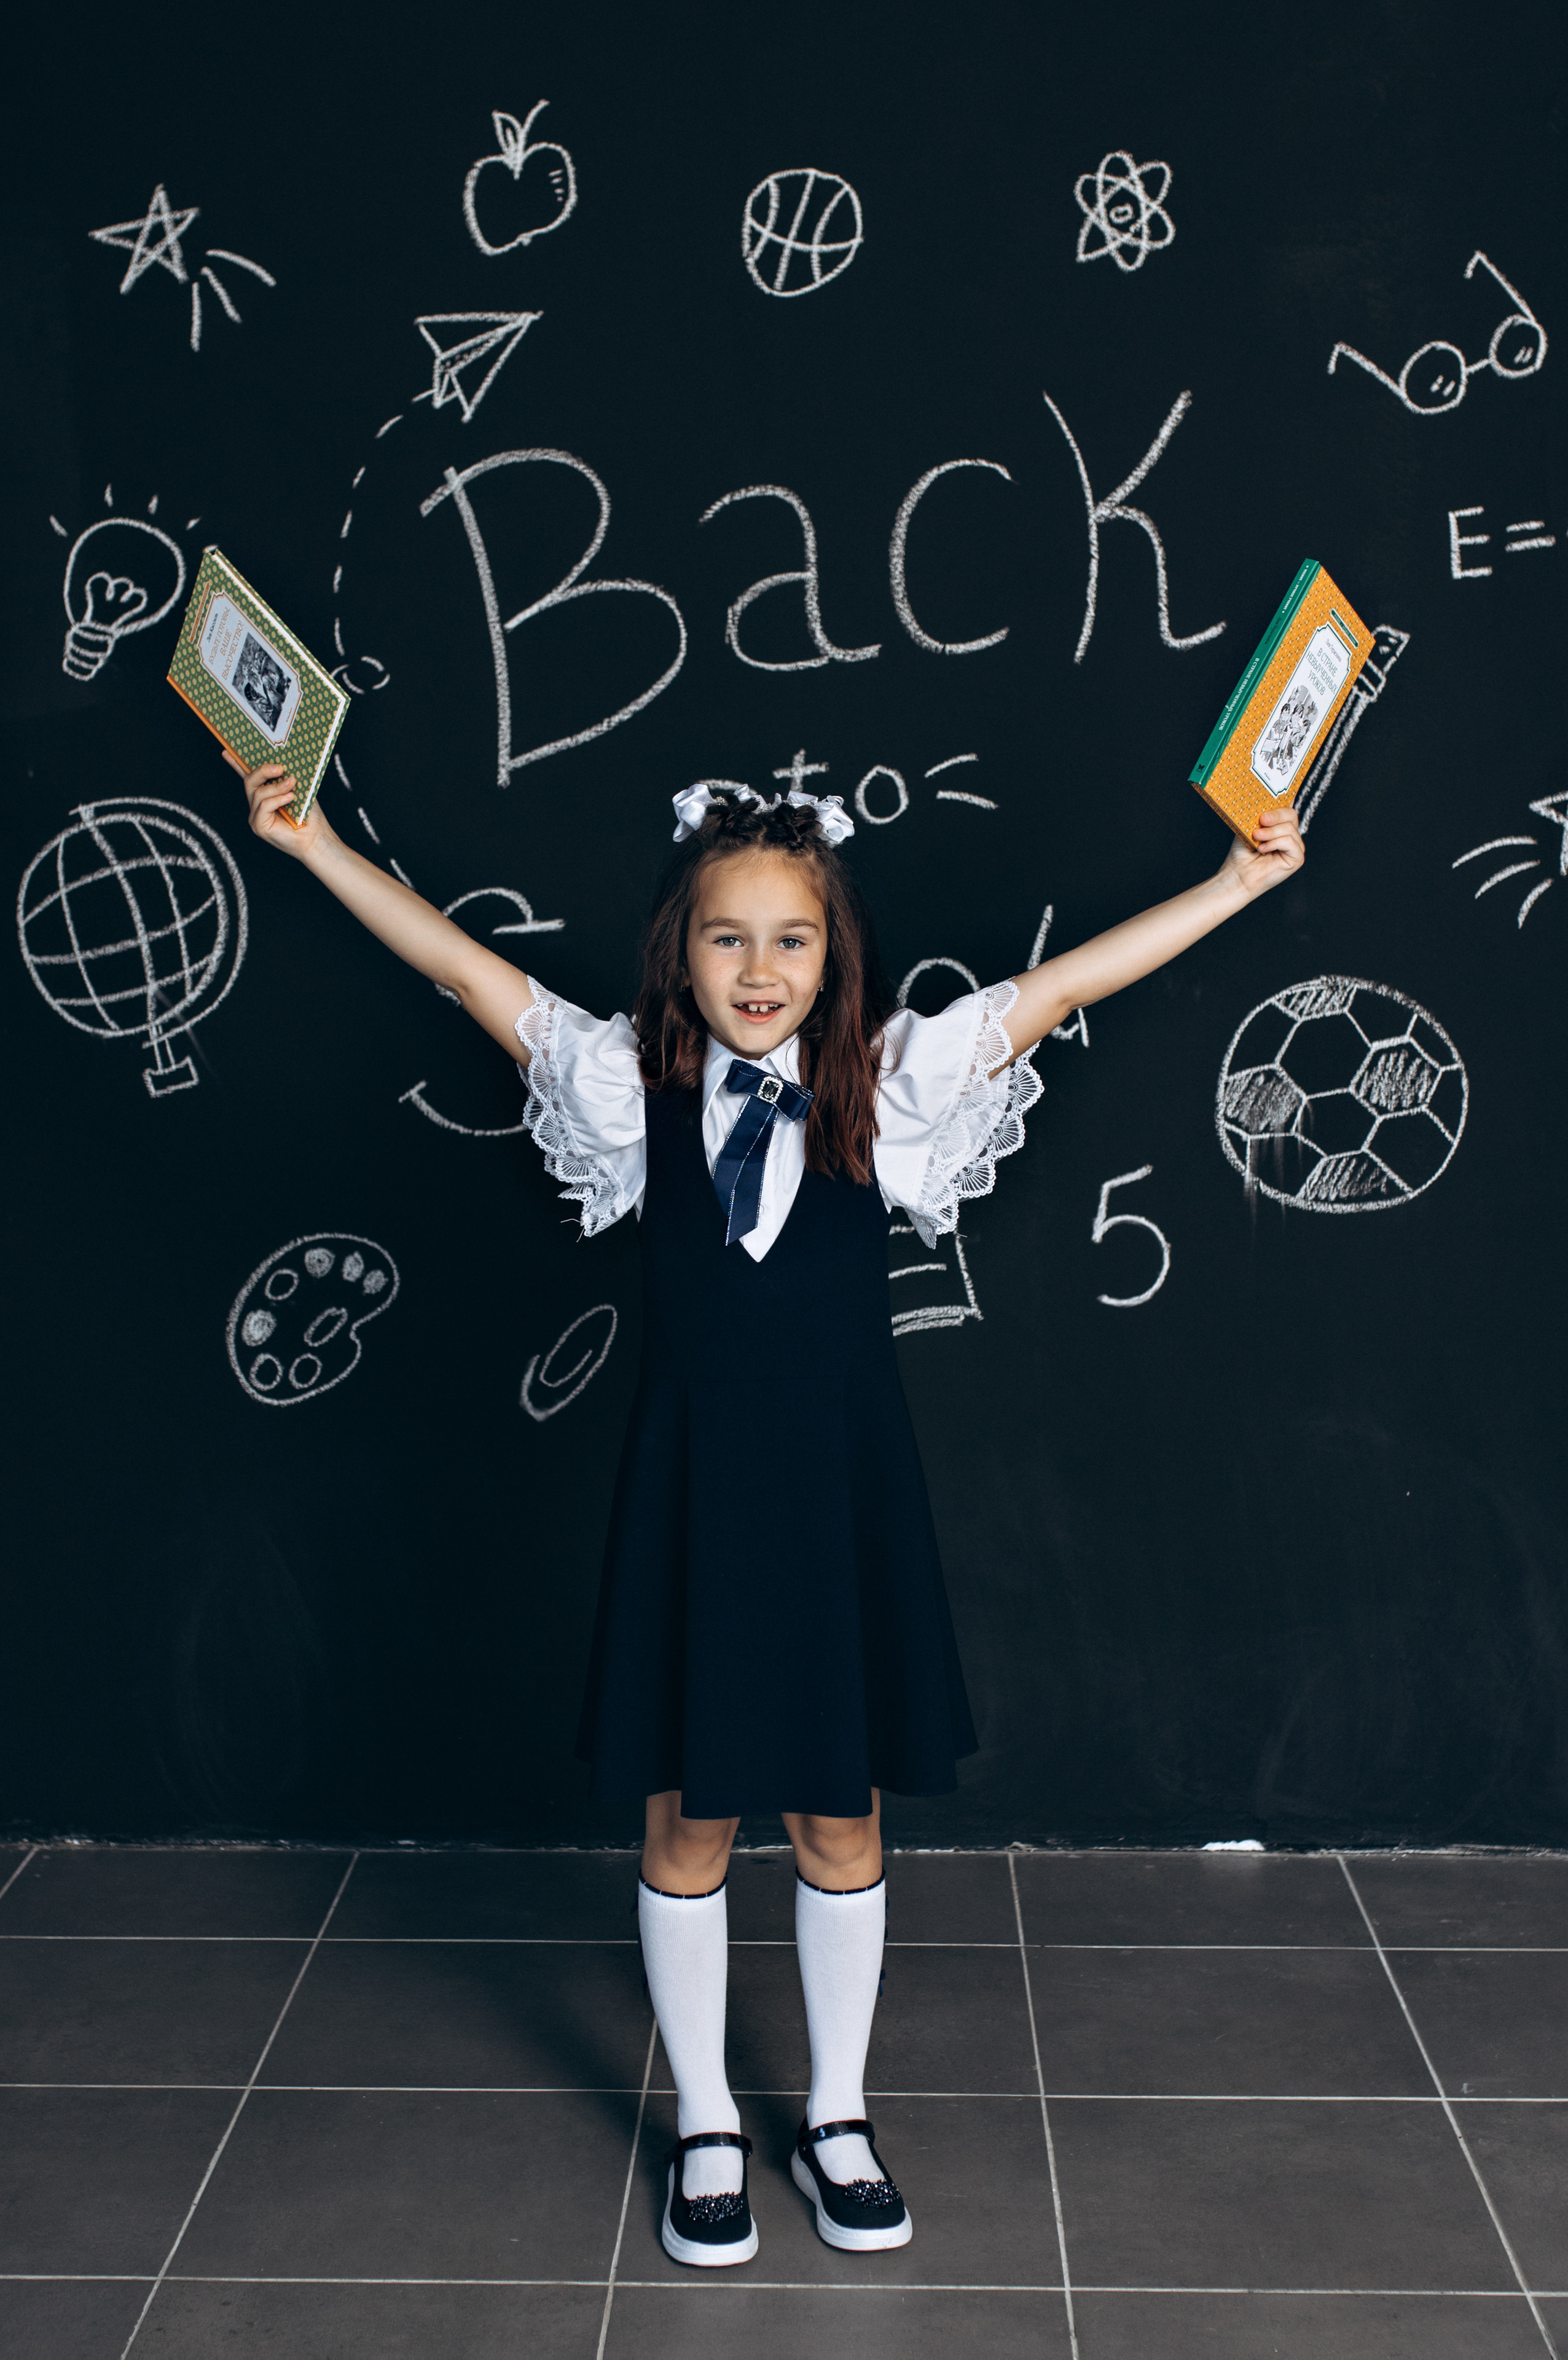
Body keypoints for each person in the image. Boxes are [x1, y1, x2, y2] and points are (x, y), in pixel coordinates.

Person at [227, 752, 1304, 2267]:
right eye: (725, 937)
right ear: (680, 949)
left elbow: (1056, 990)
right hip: (693, 1497)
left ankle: (841, 2117)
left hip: (837, 1499)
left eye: (789, 939)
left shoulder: (893, 1083)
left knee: (836, 1812)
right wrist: (311, 842)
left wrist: (1236, 883)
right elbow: (469, 976)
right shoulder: (630, 1091)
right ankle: (713, 2127)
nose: (756, 968)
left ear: (832, 953)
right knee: (688, 1820)